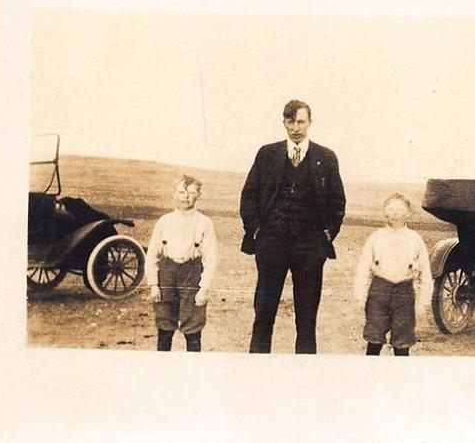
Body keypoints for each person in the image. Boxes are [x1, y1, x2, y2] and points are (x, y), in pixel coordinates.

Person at [240, 99, 346, 354]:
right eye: (291, 121)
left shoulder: (326, 157)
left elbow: (337, 201)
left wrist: (327, 235)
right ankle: (256, 369)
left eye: (301, 121)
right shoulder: (267, 154)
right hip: (272, 244)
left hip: (310, 247)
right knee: (264, 312)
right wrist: (256, 231)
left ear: (310, 122)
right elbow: (249, 195)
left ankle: (305, 375)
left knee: (307, 317)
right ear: (284, 122)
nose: (296, 127)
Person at [353, 192, 433, 356]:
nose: (394, 214)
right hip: (378, 292)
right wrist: (360, 295)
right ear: (385, 212)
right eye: (390, 209)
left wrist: (423, 301)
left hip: (404, 294)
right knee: (374, 339)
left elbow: (425, 272)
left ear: (408, 214)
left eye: (399, 210)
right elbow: (363, 268)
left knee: (402, 344)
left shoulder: (414, 238)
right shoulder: (376, 237)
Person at [146, 175, 218, 352]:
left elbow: (211, 258)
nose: (185, 197)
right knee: (165, 323)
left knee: (193, 325)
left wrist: (204, 288)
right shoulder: (165, 221)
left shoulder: (204, 223)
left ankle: (193, 369)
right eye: (181, 192)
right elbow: (152, 255)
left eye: (191, 192)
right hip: (167, 273)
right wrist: (154, 284)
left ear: (199, 195)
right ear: (174, 195)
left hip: (191, 274)